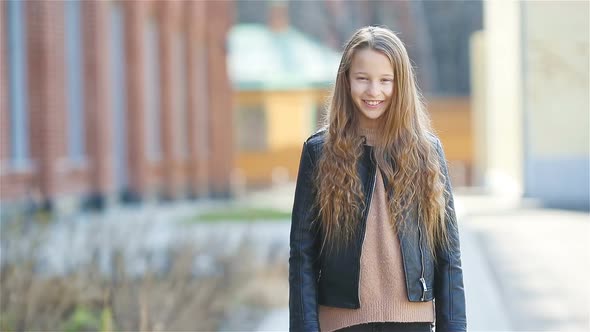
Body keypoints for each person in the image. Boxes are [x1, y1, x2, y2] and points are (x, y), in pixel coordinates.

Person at [289, 26, 466, 332]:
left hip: (413, 322)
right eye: (363, 79)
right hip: (342, 323)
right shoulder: (319, 152)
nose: (374, 91)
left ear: (401, 84)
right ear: (346, 80)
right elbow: (302, 255)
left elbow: (448, 255)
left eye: (386, 80)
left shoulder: (427, 151)